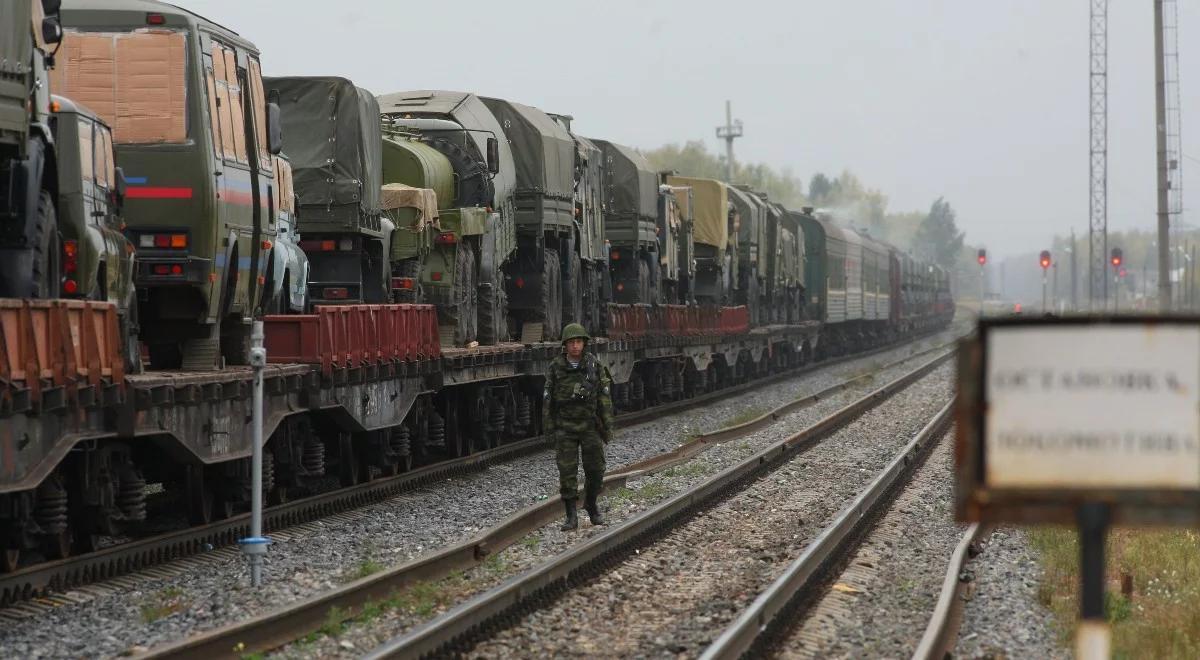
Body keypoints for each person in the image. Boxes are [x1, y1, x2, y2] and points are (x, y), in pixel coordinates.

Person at [543, 322, 614, 530]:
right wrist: (549, 430)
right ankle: (570, 515)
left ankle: (591, 505)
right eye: (572, 343)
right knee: (567, 473)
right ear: (565, 345)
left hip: (589, 426)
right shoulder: (556, 368)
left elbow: (604, 398)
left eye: (579, 342)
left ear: (584, 344)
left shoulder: (593, 365)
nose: (575, 346)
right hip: (565, 428)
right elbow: (548, 401)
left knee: (596, 470)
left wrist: (608, 426)